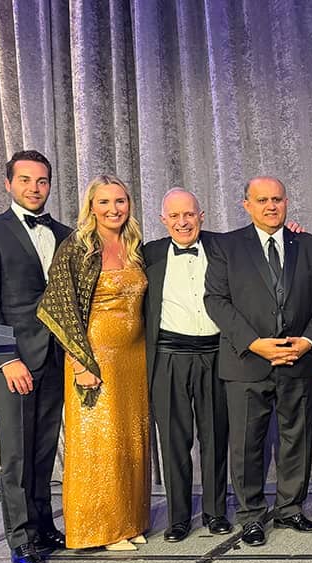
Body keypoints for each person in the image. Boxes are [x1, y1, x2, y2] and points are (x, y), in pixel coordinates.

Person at [203, 176, 312, 547]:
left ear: (286, 201)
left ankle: (291, 508)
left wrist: (307, 342)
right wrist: (254, 343)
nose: (271, 206)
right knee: (247, 444)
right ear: (247, 204)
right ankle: (251, 516)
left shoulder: (310, 245)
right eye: (262, 200)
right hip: (247, 362)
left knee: (297, 439)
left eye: (277, 199)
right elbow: (215, 300)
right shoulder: (226, 246)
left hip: (297, 359)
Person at [0, 150, 72, 563]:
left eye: (42, 181)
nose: (34, 188)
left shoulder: (65, 234)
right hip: (13, 361)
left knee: (44, 451)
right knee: (16, 454)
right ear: (8, 184)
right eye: (25, 180)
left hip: (56, 357)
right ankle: (21, 539)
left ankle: (43, 525)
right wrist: (5, 359)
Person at [36, 175, 150, 551]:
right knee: (99, 442)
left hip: (134, 357)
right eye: (104, 202)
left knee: (131, 439)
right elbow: (60, 305)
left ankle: (130, 521)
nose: (113, 209)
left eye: (120, 201)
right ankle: (102, 528)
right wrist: (79, 361)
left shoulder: (134, 246)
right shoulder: (77, 246)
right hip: (95, 355)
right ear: (91, 207)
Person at [141, 188, 232, 542]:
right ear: (163, 220)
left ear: (201, 216)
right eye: (175, 216)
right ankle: (178, 517)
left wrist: (293, 232)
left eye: (189, 214)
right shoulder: (148, 254)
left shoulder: (224, 247)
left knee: (215, 437)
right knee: (174, 440)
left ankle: (215, 512)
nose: (183, 222)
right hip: (168, 357)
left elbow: (261, 243)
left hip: (215, 354)